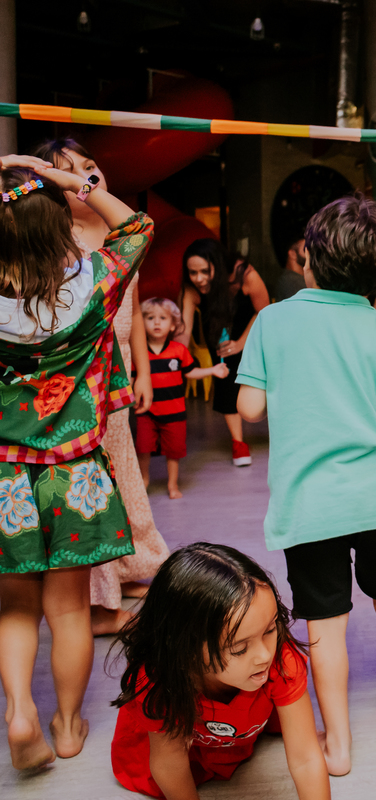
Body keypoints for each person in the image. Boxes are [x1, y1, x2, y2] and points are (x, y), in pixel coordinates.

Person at [235, 194, 376, 776]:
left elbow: (252, 408)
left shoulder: (272, 320)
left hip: (309, 504)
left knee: (325, 624)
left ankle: (336, 743)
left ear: (307, 257)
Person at [0, 154, 151, 769]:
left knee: (14, 605)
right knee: (67, 610)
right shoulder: (92, 283)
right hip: (76, 472)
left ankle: (18, 712)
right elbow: (136, 227)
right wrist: (70, 181)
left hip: (5, 475)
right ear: (60, 221)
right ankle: (65, 726)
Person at [30, 138, 170, 636]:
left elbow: (128, 313)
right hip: (79, 383)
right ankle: (95, 604)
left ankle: (130, 570)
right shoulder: (56, 238)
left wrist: (143, 370)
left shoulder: (113, 224)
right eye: (69, 173)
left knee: (123, 477)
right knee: (93, 487)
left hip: (114, 380)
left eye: (90, 167)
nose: (87, 178)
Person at [110, 543, 330, 799]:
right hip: (179, 742)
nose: (264, 655)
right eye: (239, 648)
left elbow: (305, 759)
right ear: (186, 650)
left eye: (270, 629)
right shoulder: (160, 681)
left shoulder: (281, 659)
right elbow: (169, 763)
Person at [179, 239, 269, 467]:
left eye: (204, 272)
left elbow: (264, 311)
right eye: (192, 272)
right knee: (227, 380)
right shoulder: (191, 289)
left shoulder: (243, 274)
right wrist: (170, 356)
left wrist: (240, 343)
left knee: (265, 382)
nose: (198, 278)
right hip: (219, 335)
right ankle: (239, 442)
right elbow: (184, 331)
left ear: (217, 267)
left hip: (252, 330)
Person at [135, 298, 229, 499]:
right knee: (143, 448)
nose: (157, 323)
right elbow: (132, 377)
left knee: (174, 451)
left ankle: (172, 484)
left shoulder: (179, 351)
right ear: (141, 322)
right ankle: (144, 480)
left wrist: (213, 370)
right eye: (150, 318)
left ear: (173, 325)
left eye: (162, 318)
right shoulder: (139, 352)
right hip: (146, 411)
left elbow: (190, 372)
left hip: (175, 413)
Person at [274, 237, 307, 301]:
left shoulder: (295, 278)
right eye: (305, 249)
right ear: (292, 254)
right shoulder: (292, 281)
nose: (309, 253)